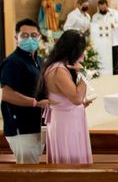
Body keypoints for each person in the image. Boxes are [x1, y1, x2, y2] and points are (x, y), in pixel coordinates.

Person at [39, 30, 92, 164]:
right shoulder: (58, 70)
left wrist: (82, 102)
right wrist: (83, 73)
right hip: (66, 123)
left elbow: (71, 98)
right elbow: (76, 98)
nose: (82, 53)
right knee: (70, 158)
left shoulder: (59, 67)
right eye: (81, 49)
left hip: (69, 118)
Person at [0, 19, 49, 163]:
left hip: (37, 124)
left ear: (40, 37)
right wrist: (36, 103)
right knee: (28, 172)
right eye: (25, 36)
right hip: (21, 127)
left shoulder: (39, 61)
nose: (30, 39)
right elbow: (7, 94)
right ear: (17, 38)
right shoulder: (12, 62)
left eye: (34, 35)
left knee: (36, 168)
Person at [92, 0, 118, 74]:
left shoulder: (114, 13)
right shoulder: (95, 16)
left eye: (104, 8)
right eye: (101, 8)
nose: (103, 9)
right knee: (104, 59)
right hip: (101, 42)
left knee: (115, 59)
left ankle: (116, 72)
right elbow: (93, 28)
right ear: (98, 7)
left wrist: (114, 25)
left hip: (114, 41)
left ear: (107, 6)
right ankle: (104, 72)